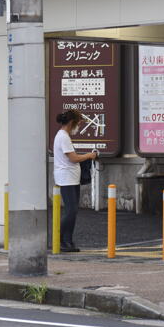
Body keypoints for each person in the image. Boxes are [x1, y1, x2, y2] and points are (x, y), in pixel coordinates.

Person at [53, 108, 98, 252]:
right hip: (66, 178)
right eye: (78, 124)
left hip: (70, 177)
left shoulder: (63, 135)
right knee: (71, 211)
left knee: (72, 210)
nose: (78, 127)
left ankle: (67, 240)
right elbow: (72, 158)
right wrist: (89, 156)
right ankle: (62, 240)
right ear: (72, 122)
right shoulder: (63, 137)